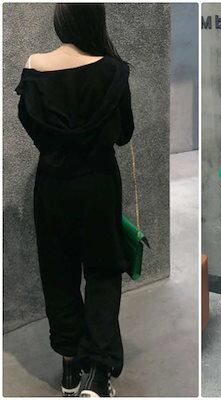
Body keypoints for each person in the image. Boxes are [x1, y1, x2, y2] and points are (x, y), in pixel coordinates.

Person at [15, 3, 134, 397]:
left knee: (58, 270)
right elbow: (124, 134)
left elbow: (30, 124)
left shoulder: (34, 66)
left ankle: (69, 368)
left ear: (62, 19)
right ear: (95, 20)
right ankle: (98, 375)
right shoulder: (113, 70)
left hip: (53, 186)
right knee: (102, 271)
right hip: (98, 185)